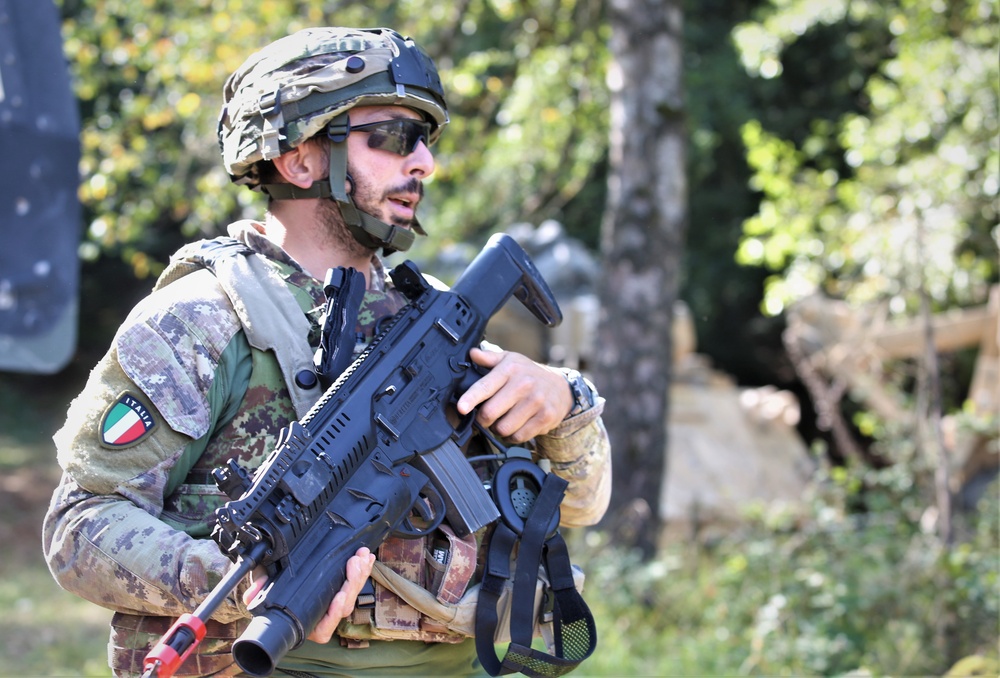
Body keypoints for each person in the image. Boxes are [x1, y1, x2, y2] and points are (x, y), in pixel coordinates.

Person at [43, 26, 611, 677]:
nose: (423, 163)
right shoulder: (200, 323)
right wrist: (234, 581)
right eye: (396, 138)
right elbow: (79, 527)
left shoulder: (434, 313)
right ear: (300, 159)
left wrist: (566, 403)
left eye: (426, 141)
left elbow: (580, 505)